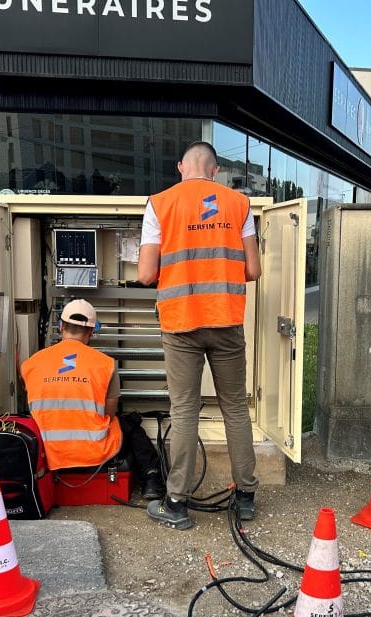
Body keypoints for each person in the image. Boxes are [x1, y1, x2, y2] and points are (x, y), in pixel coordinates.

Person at [138, 141, 261, 531]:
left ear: (181, 166)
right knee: (236, 409)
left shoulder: (159, 204)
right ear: (215, 170)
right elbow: (253, 269)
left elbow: (145, 274)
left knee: (185, 411)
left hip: (180, 323)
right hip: (226, 320)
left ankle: (176, 502)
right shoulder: (239, 204)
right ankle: (245, 498)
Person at [20, 299, 165, 500]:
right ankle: (152, 479)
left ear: (61, 326)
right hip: (93, 451)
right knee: (130, 424)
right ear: (91, 332)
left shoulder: (30, 364)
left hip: (46, 452)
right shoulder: (106, 365)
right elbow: (109, 413)